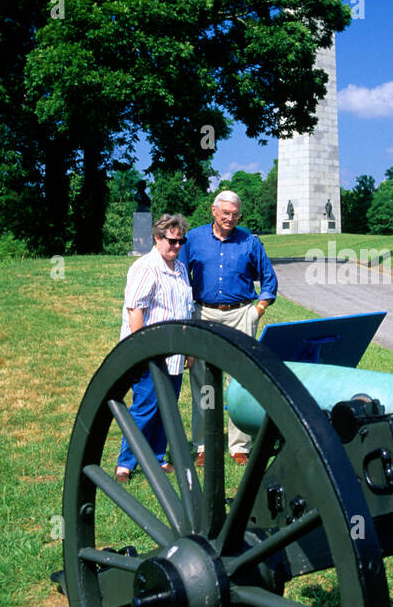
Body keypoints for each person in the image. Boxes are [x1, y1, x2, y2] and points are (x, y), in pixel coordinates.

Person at [183, 190, 277, 465]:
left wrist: (257, 310)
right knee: (202, 381)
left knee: (240, 382)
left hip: (240, 315)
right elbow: (180, 275)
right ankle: (203, 446)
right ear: (214, 211)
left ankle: (240, 446)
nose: (230, 218)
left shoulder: (250, 240)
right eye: (225, 213)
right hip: (203, 314)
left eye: (235, 215)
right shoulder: (194, 239)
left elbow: (269, 280)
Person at [114, 213, 195, 483]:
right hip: (150, 351)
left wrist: (190, 350)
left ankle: (158, 457)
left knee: (167, 407)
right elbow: (135, 310)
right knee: (146, 407)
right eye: (171, 241)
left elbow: (187, 309)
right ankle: (125, 464)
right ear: (158, 238)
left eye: (180, 241)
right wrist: (141, 349)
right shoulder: (145, 267)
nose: (176, 246)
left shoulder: (180, 268)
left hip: (175, 352)